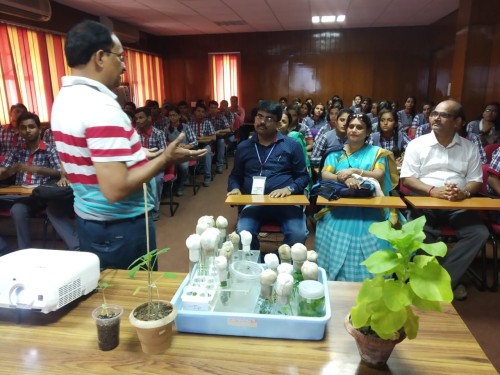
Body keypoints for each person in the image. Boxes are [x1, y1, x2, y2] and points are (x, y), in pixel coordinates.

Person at [50, 20, 206, 269]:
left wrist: (132, 152)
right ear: (100, 57)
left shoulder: (64, 99)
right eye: (120, 57)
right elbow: (116, 188)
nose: (123, 66)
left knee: (109, 298)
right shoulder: (101, 107)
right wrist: (165, 158)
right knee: (137, 300)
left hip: (89, 219)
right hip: (120, 226)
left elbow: (86, 156)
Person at [400, 99, 489, 300]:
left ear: (458, 122)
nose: (436, 118)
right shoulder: (417, 144)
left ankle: (441, 281)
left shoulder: (469, 148)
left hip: (457, 205)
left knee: (479, 233)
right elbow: (408, 179)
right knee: (417, 231)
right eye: (434, 114)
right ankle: (448, 281)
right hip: (425, 202)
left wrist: (464, 192)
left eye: (443, 115)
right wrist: (432, 191)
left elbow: (475, 181)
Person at [314, 113, 399, 281]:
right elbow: (324, 174)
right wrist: (342, 178)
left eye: (359, 127)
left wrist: (354, 172)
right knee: (330, 225)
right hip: (339, 207)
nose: (354, 130)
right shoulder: (335, 154)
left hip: (370, 207)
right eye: (351, 126)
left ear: (368, 132)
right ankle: (333, 281)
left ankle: (374, 284)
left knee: (375, 235)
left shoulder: (377, 153)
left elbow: (379, 174)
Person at [227, 100, 309, 258]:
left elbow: (303, 176)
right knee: (244, 233)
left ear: (278, 123)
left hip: (286, 202)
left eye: (269, 118)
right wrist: (235, 188)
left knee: (298, 235)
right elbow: (235, 175)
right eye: (259, 116)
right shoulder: (244, 146)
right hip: (254, 202)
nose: (262, 122)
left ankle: (279, 263)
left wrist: (288, 189)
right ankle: (256, 264)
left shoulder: (292, 145)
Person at [0, 112, 79, 250]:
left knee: (19, 209)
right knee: (18, 208)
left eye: (31, 127)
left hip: (40, 195)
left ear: (39, 129)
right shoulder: (16, 150)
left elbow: (60, 172)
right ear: (19, 131)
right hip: (19, 195)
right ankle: (9, 250)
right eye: (23, 128)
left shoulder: (49, 149)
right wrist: (9, 171)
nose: (27, 130)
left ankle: (25, 250)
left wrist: (34, 169)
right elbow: (3, 171)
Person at [135, 106, 167, 221]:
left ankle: (155, 209)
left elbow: (164, 153)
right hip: (139, 166)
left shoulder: (159, 133)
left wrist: (151, 161)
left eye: (141, 117)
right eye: (136, 118)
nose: (138, 120)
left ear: (149, 118)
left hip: (156, 166)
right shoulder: (134, 134)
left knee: (156, 180)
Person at [165, 106, 198, 197]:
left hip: (184, 153)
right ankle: (168, 186)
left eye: (174, 115)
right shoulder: (167, 129)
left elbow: (195, 141)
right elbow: (164, 143)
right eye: (170, 115)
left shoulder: (186, 127)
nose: (172, 117)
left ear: (179, 116)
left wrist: (187, 146)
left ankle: (180, 185)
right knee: (164, 166)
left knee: (183, 166)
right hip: (171, 153)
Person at [188, 103, 216, 187]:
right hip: (192, 146)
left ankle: (207, 176)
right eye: (198, 111)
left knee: (207, 152)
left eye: (203, 111)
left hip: (205, 144)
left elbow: (214, 137)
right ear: (194, 112)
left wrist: (201, 138)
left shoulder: (207, 123)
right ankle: (186, 177)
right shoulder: (190, 123)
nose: (200, 113)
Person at [207, 100, 230, 174]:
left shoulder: (221, 117)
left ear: (217, 109)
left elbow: (228, 129)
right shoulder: (206, 117)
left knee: (221, 142)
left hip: (219, 137)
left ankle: (219, 165)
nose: (213, 109)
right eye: (211, 108)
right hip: (208, 137)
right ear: (209, 108)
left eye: (215, 108)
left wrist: (219, 131)